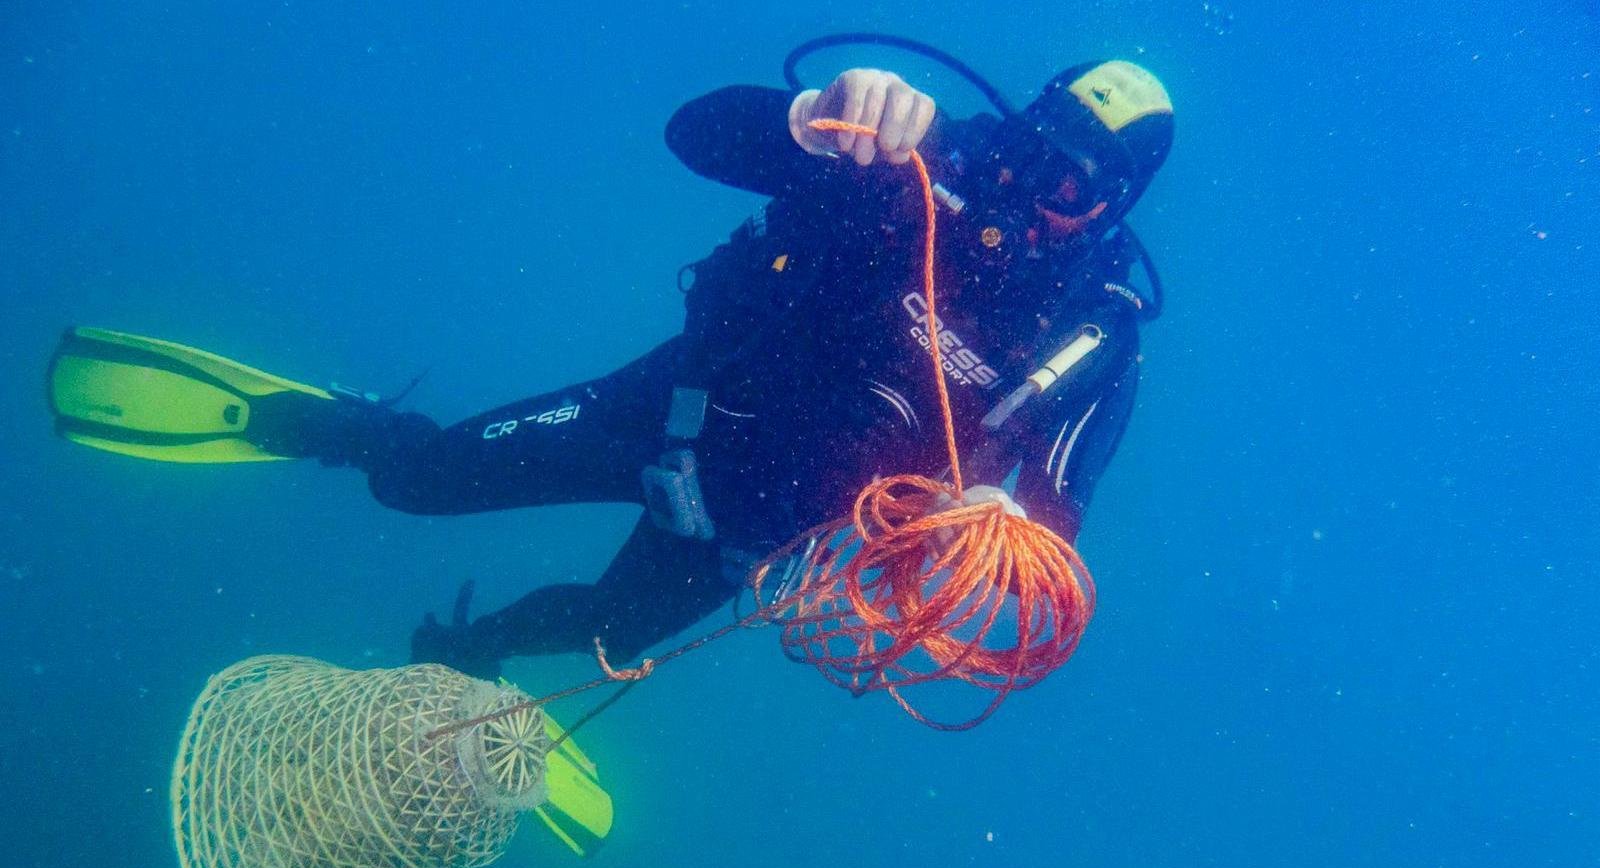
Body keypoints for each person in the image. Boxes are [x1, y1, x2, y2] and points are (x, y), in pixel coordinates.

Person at [48, 57, 1174, 680]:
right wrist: (808, 117)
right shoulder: (909, 154)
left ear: (1111, 212)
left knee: (602, 640)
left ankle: (471, 651)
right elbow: (695, 135)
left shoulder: (1095, 339)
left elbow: (1052, 533)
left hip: (751, 525)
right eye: (1030, 153)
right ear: (1013, 124)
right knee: (420, 484)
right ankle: (330, 427)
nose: (1027, 195)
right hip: (665, 411)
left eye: (1069, 188)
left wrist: (993, 526)